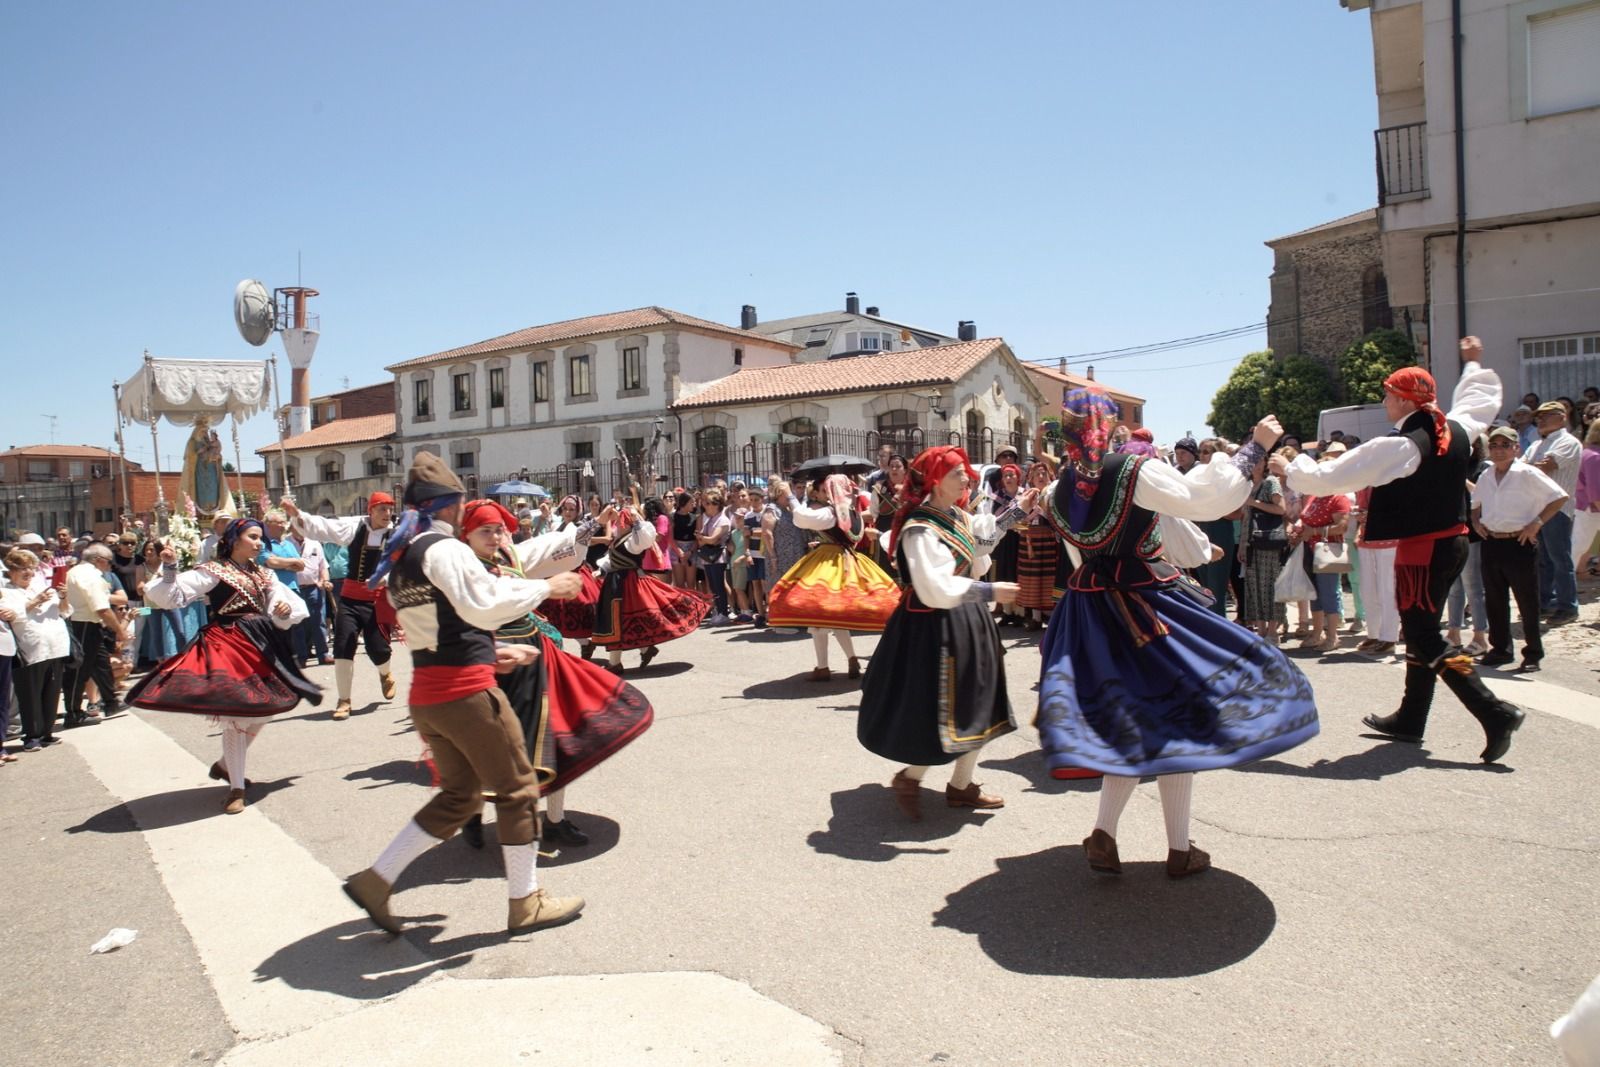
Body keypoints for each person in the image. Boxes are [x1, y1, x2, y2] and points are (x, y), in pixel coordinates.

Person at [1038, 393, 1316, 879]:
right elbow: (1205, 499)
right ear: (1108, 429)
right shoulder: (1131, 472)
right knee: (1180, 716)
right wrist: (1254, 447)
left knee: (1138, 725)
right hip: (1143, 606)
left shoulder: (1060, 488)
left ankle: (1109, 833)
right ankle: (1176, 849)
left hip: (1088, 611)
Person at [343, 453, 585, 936]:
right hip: (465, 695)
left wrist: (490, 651)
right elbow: (485, 602)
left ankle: (377, 880)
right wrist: (547, 587)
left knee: (459, 796)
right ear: (450, 505)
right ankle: (526, 901)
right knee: (517, 789)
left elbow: (434, 627)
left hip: (430, 696)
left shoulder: (403, 559)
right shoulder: (442, 548)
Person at [1271, 336, 1524, 763]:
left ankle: (1493, 711)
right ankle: (1411, 716)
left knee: (1425, 636)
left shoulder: (1402, 445)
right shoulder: (1455, 425)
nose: (1385, 401)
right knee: (1421, 631)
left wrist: (1290, 466)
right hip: (1450, 543)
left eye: (1389, 395)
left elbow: (1331, 477)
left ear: (1404, 401)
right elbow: (1478, 400)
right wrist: (1474, 364)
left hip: (1425, 552)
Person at [454, 500, 651, 851]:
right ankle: (473, 812)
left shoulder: (511, 555)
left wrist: (592, 523)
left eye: (499, 528)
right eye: (485, 530)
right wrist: (542, 592)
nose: (495, 536)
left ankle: (554, 821)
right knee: (494, 751)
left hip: (535, 656)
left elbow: (550, 547)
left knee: (559, 737)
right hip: (491, 666)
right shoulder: (459, 569)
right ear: (465, 535)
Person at [858, 446, 1018, 818]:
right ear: (934, 481)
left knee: (980, 703)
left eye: (964, 473)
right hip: (932, 626)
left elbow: (979, 547)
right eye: (957, 474)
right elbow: (935, 587)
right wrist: (991, 592)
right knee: (938, 708)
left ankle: (961, 786)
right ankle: (911, 777)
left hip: (967, 618)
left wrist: (1016, 512)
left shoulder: (956, 515)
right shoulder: (919, 528)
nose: (967, 479)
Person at [128, 519, 320, 813]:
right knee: (236, 714)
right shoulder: (215, 571)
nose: (259, 542)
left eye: (260, 538)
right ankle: (236, 788)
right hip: (227, 643)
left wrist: (282, 609)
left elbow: (280, 605)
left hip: (261, 643)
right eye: (252, 537)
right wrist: (169, 568)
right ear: (234, 540)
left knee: (264, 710)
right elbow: (171, 597)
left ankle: (223, 764)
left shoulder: (264, 574)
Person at [766, 474, 899, 681]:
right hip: (849, 562)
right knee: (836, 617)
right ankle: (852, 658)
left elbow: (801, 518)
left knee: (818, 616)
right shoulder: (854, 514)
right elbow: (845, 538)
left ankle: (823, 667)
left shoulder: (831, 512)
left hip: (829, 565)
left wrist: (790, 496)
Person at [282, 494, 399, 720]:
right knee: (344, 645)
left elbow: (403, 565)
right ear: (371, 510)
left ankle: (385, 674)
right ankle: (344, 700)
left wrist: (386, 579)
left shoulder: (396, 536)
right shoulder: (355, 527)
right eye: (382, 509)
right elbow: (326, 528)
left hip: (377, 601)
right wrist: (298, 515)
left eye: (389, 510)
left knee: (379, 649)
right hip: (350, 599)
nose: (387, 514)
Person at [1472, 425, 1568, 672]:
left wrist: (1536, 523)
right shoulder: (1486, 475)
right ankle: (1500, 649)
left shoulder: (1527, 473)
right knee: (1495, 599)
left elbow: (1559, 497)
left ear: (1517, 448)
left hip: (1519, 542)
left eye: (1505, 445)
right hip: (1492, 542)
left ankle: (1533, 653)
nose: (1499, 450)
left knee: (1527, 601)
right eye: (1494, 445)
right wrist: (1475, 521)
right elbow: (1476, 502)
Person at [592, 500, 710, 673]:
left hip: (629, 585)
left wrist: (637, 518)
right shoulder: (620, 540)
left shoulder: (634, 540)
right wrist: (601, 570)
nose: (617, 523)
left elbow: (648, 536)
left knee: (622, 620)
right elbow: (612, 560)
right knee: (620, 621)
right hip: (616, 584)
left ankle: (617, 663)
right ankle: (643, 651)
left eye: (621, 521)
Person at [1, 547, 69, 751]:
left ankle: (47, 732)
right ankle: (31, 737)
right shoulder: (7, 591)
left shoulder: (40, 585)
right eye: (23, 568)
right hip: (31, 649)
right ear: (11, 570)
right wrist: (34, 602)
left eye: (31, 568)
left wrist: (64, 597)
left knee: (51, 691)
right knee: (30, 694)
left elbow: (64, 612)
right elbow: (10, 615)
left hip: (54, 645)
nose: (28, 573)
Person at [1524, 400, 1583, 624]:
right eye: (1539, 416)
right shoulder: (1537, 444)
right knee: (1543, 560)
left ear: (1562, 417)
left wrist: (1527, 467)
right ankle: (1546, 602)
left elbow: (1544, 467)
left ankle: (1568, 606)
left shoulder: (1567, 442)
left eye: (1547, 415)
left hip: (1557, 508)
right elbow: (1520, 468)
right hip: (1537, 507)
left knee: (1559, 558)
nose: (1541, 419)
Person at [1288, 452, 1352, 653]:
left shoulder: (1338, 498)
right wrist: (1297, 530)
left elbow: (1341, 527)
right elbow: (1305, 519)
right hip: (1309, 550)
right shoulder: (1315, 497)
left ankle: (1332, 636)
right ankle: (1317, 633)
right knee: (1315, 593)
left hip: (1326, 551)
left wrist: (1313, 531)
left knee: (1328, 593)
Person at [62, 544, 123, 727]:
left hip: (88, 624)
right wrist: (120, 630)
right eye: (108, 563)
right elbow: (102, 608)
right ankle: (73, 712)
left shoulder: (76, 571)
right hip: (84, 624)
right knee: (79, 669)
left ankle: (111, 701)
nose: (109, 567)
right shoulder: (90, 575)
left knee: (101, 663)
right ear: (99, 560)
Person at [1237, 450, 1288, 643]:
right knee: (1254, 586)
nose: (1256, 465)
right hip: (1252, 542)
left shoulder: (1270, 482)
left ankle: (1273, 631)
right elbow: (1246, 518)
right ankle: (1261, 630)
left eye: (1259, 461)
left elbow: (1281, 508)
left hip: (1269, 542)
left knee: (1270, 585)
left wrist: (1255, 502)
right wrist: (1242, 545)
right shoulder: (1249, 485)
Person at [288, 524, 331, 667]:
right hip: (293, 589)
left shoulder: (315, 544)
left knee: (318, 622)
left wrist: (324, 580)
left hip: (314, 588)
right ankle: (301, 657)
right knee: (297, 624)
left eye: (303, 526)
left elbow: (323, 566)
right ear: (291, 528)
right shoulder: (285, 543)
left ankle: (323, 654)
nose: (301, 529)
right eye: (297, 526)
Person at [694, 491, 732, 624]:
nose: (706, 506)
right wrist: (703, 539)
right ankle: (719, 611)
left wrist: (703, 538)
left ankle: (723, 613)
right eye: (705, 503)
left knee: (719, 585)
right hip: (707, 557)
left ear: (717, 505)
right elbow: (702, 539)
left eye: (709, 503)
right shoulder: (710, 519)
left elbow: (712, 539)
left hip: (718, 557)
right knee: (713, 586)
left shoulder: (723, 520)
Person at [1575, 419, 1600, 579]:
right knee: (1578, 546)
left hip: (1589, 508)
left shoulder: (1589, 452)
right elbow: (1595, 490)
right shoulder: (1594, 456)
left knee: (1580, 545)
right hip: (1591, 508)